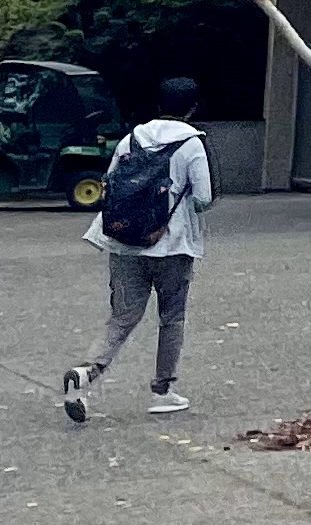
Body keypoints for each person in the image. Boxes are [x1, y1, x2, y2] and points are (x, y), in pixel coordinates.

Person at [63, 73, 215, 424]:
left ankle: (85, 375)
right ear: (192, 108)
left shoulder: (131, 139)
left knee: (122, 317)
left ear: (159, 105)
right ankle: (163, 391)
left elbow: (112, 186)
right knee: (171, 318)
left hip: (124, 242)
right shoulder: (191, 144)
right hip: (172, 246)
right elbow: (204, 199)